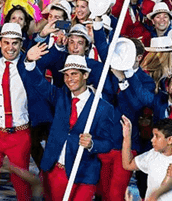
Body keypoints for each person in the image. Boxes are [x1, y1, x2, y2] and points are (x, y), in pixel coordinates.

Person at [24, 51, 118, 201]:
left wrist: (92, 144)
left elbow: (107, 143)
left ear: (85, 75)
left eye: (74, 74)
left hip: (83, 174)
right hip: (54, 170)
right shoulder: (60, 96)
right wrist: (29, 62)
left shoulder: (102, 108)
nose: (69, 79)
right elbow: (39, 84)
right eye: (66, 75)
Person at [0, 22, 46, 201]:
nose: (10, 48)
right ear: (0, 42)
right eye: (6, 43)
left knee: (21, 185)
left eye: (15, 43)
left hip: (18, 136)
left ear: (21, 44)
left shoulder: (29, 66)